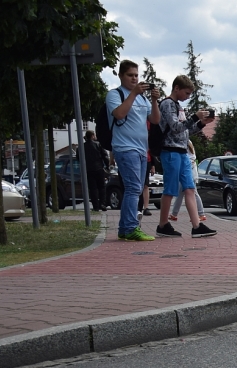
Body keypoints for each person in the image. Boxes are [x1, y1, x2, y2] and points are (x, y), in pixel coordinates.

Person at [105, 60, 160, 240]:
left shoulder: (143, 98)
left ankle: (125, 228)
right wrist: (134, 94)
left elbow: (155, 120)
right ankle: (130, 228)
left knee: (137, 188)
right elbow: (119, 114)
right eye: (130, 75)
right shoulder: (115, 95)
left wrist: (153, 101)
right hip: (125, 148)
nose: (134, 79)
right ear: (121, 76)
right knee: (133, 187)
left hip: (142, 150)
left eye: (136, 75)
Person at [155, 76, 215, 237]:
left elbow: (185, 131)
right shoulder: (167, 104)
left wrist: (202, 123)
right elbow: (175, 128)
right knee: (170, 189)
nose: (188, 97)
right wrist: (195, 117)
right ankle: (163, 224)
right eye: (186, 93)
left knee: (189, 188)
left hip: (182, 151)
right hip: (170, 150)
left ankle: (196, 226)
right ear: (176, 88)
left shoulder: (178, 106)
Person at [170, 139, 206, 223]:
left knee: (192, 194)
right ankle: (174, 214)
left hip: (188, 173)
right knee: (182, 194)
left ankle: (201, 214)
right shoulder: (188, 142)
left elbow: (187, 159)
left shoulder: (183, 142)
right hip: (189, 173)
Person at [82, 130, 108, 211]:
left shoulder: (82, 146)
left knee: (92, 188)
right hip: (99, 168)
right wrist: (107, 166)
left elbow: (79, 158)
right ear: (92, 136)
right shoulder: (98, 144)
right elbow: (105, 156)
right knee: (101, 187)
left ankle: (95, 206)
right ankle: (102, 204)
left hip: (88, 169)